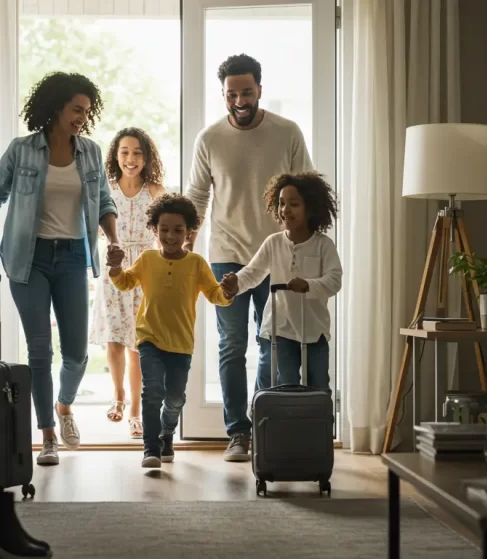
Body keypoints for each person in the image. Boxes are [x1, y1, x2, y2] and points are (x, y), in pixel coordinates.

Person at [0, 71, 120, 467]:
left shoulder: (90, 152)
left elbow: (104, 202)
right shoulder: (22, 150)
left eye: (86, 112)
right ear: (56, 107)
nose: (82, 118)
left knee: (76, 353)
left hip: (72, 257)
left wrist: (115, 242)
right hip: (28, 258)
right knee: (39, 349)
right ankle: (47, 433)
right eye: (76, 109)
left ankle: (65, 405)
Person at [184, 53, 315, 461]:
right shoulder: (208, 139)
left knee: (273, 343)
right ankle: (238, 433)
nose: (239, 100)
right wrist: (186, 240)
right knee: (231, 345)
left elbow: (307, 187)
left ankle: (263, 425)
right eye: (231, 94)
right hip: (227, 256)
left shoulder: (287, 132)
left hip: (276, 254)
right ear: (223, 94)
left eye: (246, 92)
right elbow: (198, 195)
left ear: (260, 88)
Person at [107, 194, 235, 468]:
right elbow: (125, 282)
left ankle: (166, 434)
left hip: (181, 344)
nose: (170, 236)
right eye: (164, 230)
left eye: (178, 230)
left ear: (189, 231)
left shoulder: (196, 263)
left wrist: (228, 292)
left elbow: (215, 295)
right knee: (152, 392)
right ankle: (150, 449)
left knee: (175, 399)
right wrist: (116, 266)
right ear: (154, 229)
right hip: (149, 338)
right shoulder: (147, 259)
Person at [221, 172, 342, 396]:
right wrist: (236, 283)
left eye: (294, 204)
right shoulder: (273, 243)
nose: (285, 210)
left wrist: (307, 285)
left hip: (314, 330)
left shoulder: (323, 245)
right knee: (285, 385)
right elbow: (253, 272)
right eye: (281, 203)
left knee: (319, 384)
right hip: (281, 328)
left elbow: (334, 281)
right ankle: (287, 429)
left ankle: (318, 429)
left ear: (311, 208)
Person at [88, 128, 167, 439]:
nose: (131, 159)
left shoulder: (156, 191)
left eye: (137, 152)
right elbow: (91, 229)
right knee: (114, 338)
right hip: (115, 268)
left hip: (146, 270)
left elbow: (173, 231)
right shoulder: (105, 191)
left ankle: (135, 412)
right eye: (124, 152)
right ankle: (117, 396)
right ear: (115, 156)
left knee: (140, 344)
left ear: (146, 157)